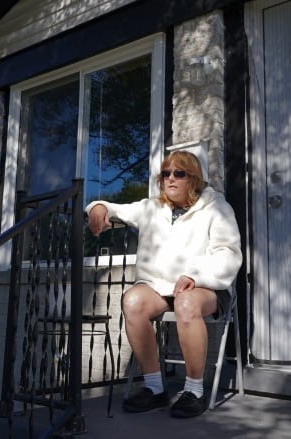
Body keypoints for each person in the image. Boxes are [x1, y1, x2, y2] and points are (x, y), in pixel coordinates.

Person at [86, 150, 242, 418]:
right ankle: (154, 388)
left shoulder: (216, 207)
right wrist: (97, 207)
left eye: (178, 173)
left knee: (186, 302)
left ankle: (194, 390)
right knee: (132, 300)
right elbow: (114, 209)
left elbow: (228, 253)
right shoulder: (151, 208)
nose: (170, 179)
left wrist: (196, 275)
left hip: (206, 287)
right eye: (166, 173)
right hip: (159, 286)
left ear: (193, 178)